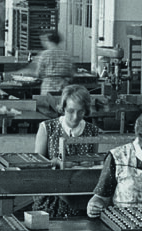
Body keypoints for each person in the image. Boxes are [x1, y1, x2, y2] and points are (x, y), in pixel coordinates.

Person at [32, 84, 101, 217]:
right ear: (63, 108)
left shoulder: (92, 131)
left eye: (80, 112)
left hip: (81, 197)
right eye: (70, 111)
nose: (75, 117)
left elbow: (94, 163)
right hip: (51, 198)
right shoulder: (47, 128)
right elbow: (37, 165)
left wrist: (90, 164)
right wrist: (57, 162)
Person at [34, 30, 75, 95]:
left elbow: (39, 73)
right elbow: (71, 73)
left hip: (48, 87)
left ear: (48, 41)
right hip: (63, 88)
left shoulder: (44, 54)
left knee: (47, 101)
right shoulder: (67, 55)